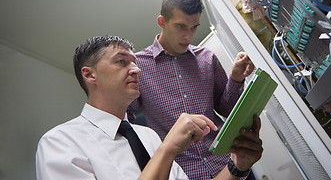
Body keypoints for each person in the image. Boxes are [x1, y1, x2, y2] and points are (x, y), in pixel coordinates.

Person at [35, 35, 263, 180]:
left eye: (135, 62)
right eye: (122, 61)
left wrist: (237, 166)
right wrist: (167, 150)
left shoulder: (148, 137)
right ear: (89, 74)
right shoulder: (60, 143)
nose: (136, 69)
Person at [127, 0, 255, 179]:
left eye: (194, 27)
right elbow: (126, 117)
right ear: (162, 22)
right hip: (183, 173)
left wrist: (236, 78)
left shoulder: (207, 58)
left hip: (229, 163)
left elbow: (227, 110)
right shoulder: (138, 67)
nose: (188, 36)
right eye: (181, 26)